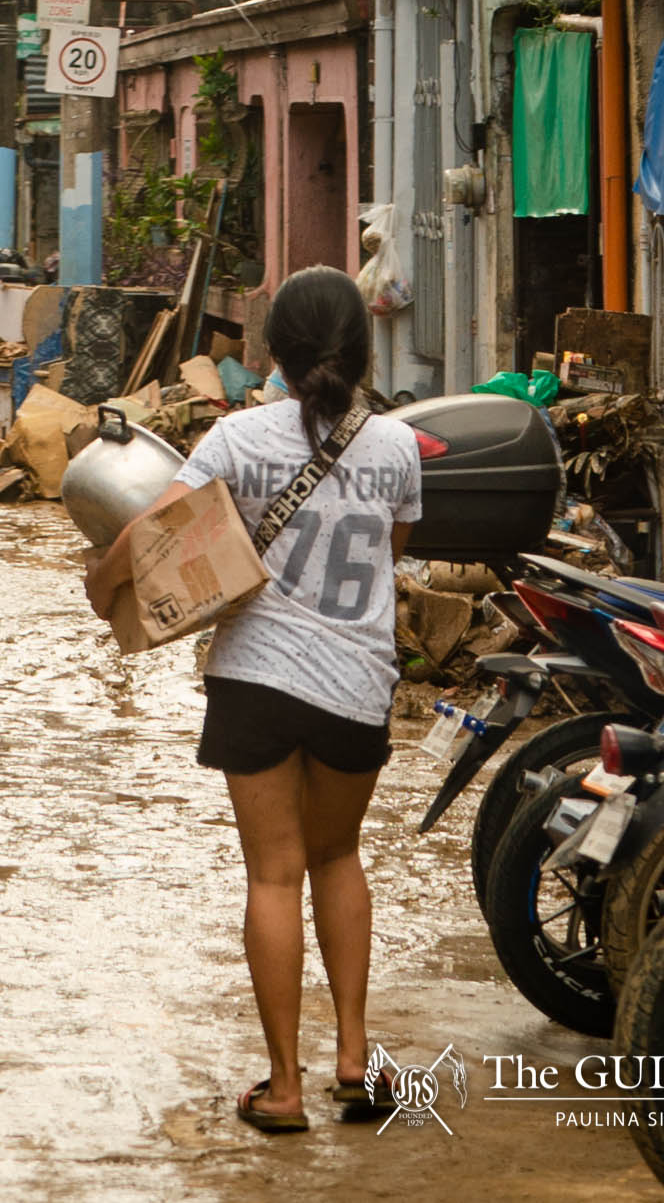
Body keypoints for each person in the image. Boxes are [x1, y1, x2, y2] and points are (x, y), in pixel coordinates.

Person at [83, 268, 421, 1134]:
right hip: (358, 683)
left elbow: (152, 529)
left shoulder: (236, 436)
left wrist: (101, 585)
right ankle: (355, 1059)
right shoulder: (397, 446)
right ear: (363, 349)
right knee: (339, 857)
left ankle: (285, 1088)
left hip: (257, 681)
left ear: (275, 351)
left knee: (274, 873)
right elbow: (391, 552)